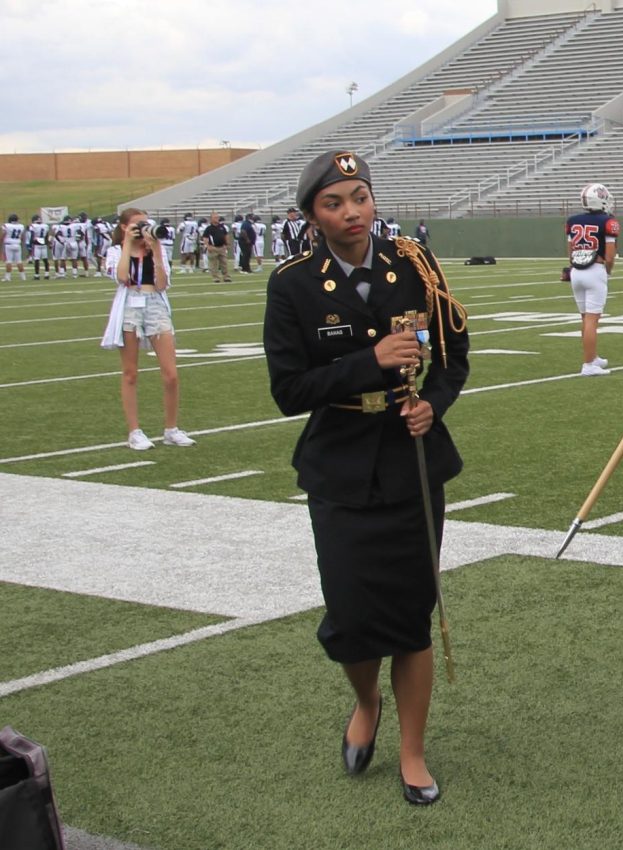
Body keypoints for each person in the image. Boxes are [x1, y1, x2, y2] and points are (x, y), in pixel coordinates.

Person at [263, 149, 469, 806]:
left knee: (411, 617)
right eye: (334, 203)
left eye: (360, 197)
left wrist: (432, 404)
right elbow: (290, 390)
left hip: (412, 463)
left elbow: (454, 357)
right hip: (341, 465)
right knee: (351, 621)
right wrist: (369, 360)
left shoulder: (414, 266)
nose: (351, 213)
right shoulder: (293, 284)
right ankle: (365, 701)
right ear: (311, 216)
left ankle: (412, 750)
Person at [100, 208, 197, 451]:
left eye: (146, 223)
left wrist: (153, 249)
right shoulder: (114, 251)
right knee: (130, 373)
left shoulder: (157, 249)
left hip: (155, 304)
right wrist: (127, 246)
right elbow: (122, 277)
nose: (144, 227)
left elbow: (163, 283)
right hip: (130, 306)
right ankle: (134, 431)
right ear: (124, 227)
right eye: (137, 224)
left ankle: (171, 429)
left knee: (171, 374)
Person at [566, 182, 620, 376]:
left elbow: (570, 249)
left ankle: (592, 356)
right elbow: (611, 255)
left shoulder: (572, 220)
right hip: (595, 268)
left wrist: (572, 266)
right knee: (592, 319)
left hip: (576, 271)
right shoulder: (607, 221)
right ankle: (588, 364)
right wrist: (608, 270)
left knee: (585, 317)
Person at [203, 213, 232, 282]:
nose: (217, 219)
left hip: (222, 247)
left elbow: (226, 235)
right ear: (211, 219)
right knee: (213, 264)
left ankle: (226, 277)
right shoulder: (208, 228)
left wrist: (227, 244)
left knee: (224, 263)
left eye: (217, 217)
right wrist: (207, 246)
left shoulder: (222, 227)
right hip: (213, 248)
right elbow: (205, 238)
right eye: (215, 217)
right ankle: (216, 278)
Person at [3, 214, 26, 281]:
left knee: (9, 261)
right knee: (19, 261)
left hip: (9, 245)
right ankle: (23, 277)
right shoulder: (21, 226)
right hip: (17, 244)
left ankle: (7, 277)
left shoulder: (6, 225)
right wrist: (21, 243)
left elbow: (3, 234)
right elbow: (22, 237)